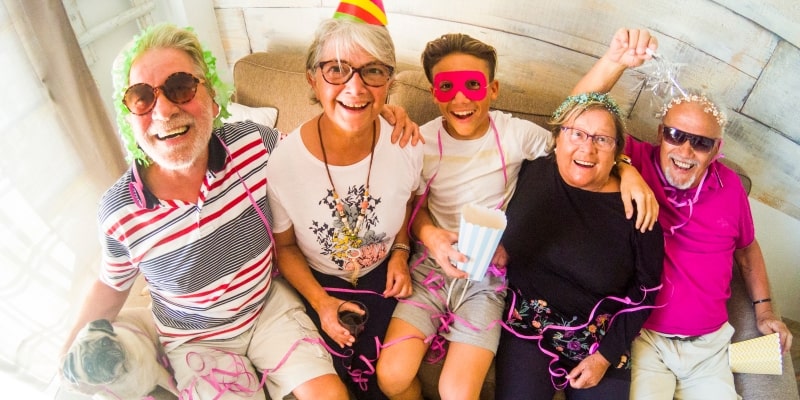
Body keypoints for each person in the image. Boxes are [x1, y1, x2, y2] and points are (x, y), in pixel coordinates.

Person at [59, 23, 416, 400]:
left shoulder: (254, 145)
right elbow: (110, 285)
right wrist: (64, 358)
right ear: (129, 116)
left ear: (213, 97)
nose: (163, 110)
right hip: (197, 342)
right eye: (142, 97)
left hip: (269, 309)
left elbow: (320, 144)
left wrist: (379, 114)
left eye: (181, 87)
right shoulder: (120, 212)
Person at [376, 30, 661, 400]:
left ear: (493, 89)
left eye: (473, 85)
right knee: (392, 376)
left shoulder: (516, 135)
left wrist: (626, 168)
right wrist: (428, 236)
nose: (461, 98)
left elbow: (574, 129)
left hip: (488, 276)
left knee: (456, 392)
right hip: (432, 265)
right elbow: (411, 203)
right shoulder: (420, 141)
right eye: (447, 86)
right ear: (433, 93)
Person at [574, 39, 794, 400]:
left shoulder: (731, 187)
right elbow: (578, 114)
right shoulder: (637, 159)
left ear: (716, 150)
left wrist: (765, 308)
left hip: (710, 347)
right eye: (676, 135)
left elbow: (747, 249)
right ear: (661, 134)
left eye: (701, 143)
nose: (685, 151)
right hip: (647, 339)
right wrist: (626, 168)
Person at [264, 13, 423, 400]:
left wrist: (401, 252)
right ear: (312, 78)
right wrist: (321, 304)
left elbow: (410, 201)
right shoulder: (283, 163)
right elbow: (284, 247)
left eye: (372, 71)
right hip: (318, 286)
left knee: (393, 385)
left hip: (384, 280)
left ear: (389, 82)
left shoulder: (407, 143)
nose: (356, 87)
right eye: (336, 69)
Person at [497, 92, 665, 400]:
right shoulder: (533, 170)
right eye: (576, 133)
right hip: (528, 324)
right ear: (558, 138)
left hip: (600, 337)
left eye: (602, 140)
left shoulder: (638, 208)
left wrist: (604, 357)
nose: (586, 148)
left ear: (617, 152)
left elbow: (647, 290)